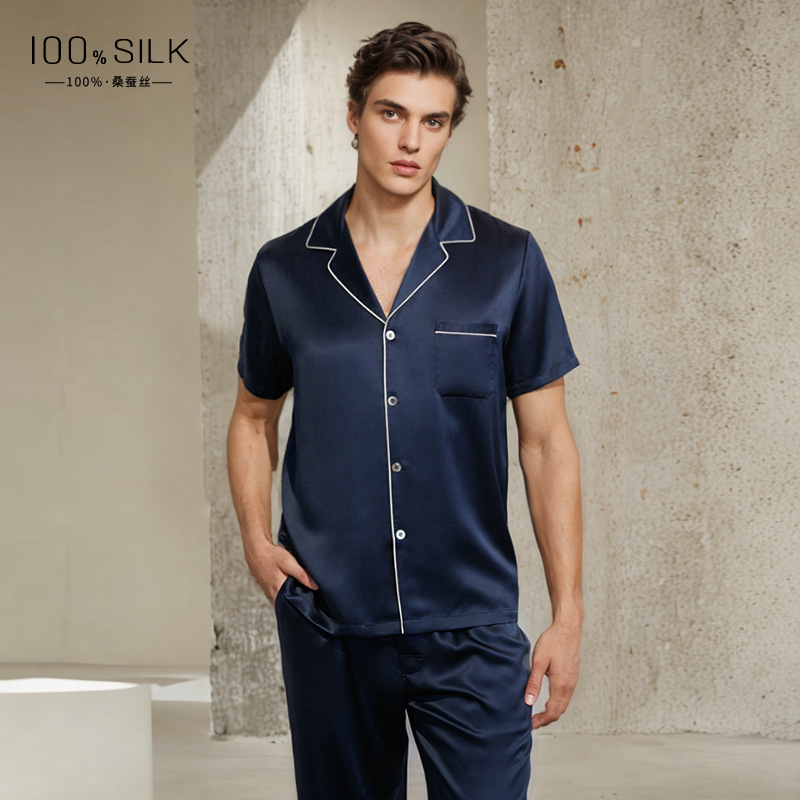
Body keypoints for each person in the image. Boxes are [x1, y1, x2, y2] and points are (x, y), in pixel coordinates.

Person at [227, 21, 583, 800]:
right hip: (331, 621)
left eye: (434, 120)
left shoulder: (508, 260)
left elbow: (547, 445)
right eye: (391, 113)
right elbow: (254, 416)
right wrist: (256, 542)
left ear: (450, 129)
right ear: (354, 115)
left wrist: (568, 615)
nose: (411, 141)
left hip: (471, 621)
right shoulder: (284, 270)